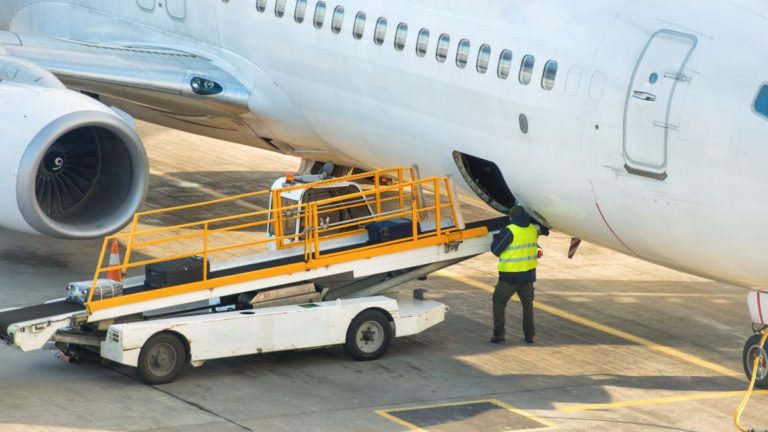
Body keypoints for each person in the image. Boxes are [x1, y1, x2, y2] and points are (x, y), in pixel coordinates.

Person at [489, 205, 547, 344]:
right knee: (527, 305)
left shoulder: (510, 231)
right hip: (527, 277)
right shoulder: (532, 230)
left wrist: (497, 237)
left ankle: (499, 335)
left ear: (512, 218)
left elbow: (496, 250)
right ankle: (529, 335)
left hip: (509, 278)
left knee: (498, 302)